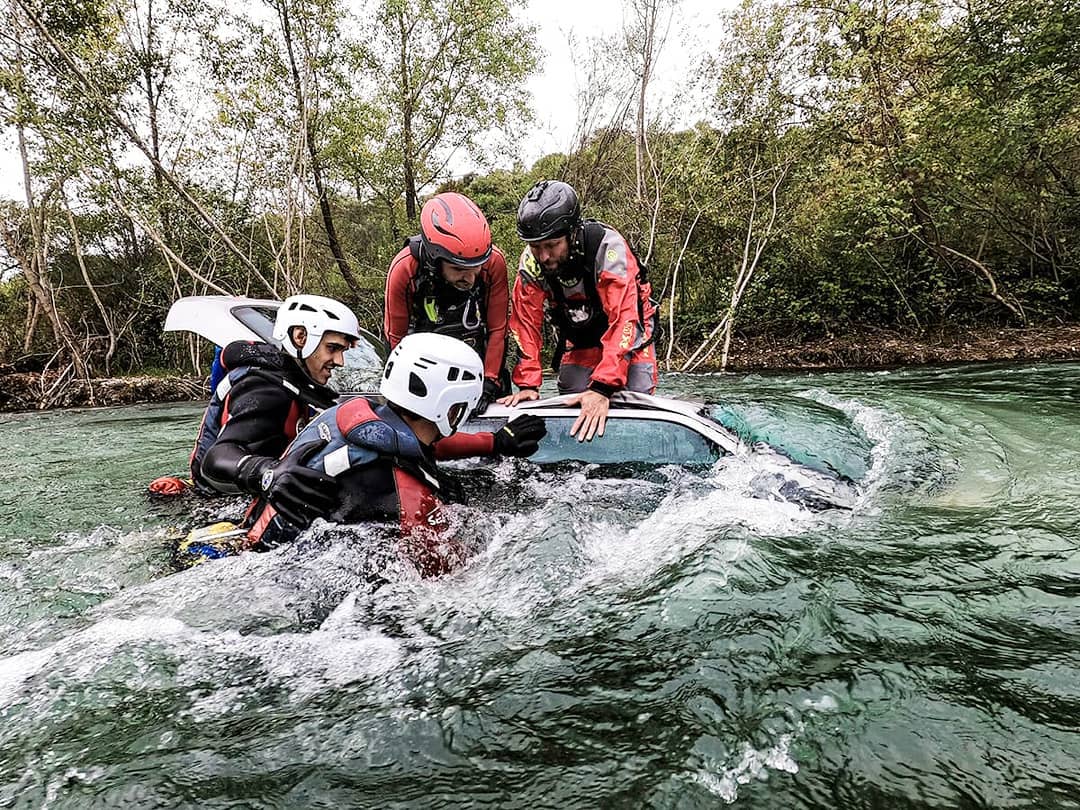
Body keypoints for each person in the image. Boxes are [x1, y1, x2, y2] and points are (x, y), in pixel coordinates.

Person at [242, 333, 546, 576]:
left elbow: (420, 444)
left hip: (253, 548)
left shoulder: (346, 417)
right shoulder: (407, 491)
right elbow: (445, 578)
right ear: (453, 408)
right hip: (287, 579)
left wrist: (495, 442)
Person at [499, 180, 659, 442]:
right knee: (572, 394)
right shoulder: (532, 262)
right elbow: (525, 323)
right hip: (581, 336)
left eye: (551, 245)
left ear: (572, 233)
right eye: (536, 246)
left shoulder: (608, 249)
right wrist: (528, 384)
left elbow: (624, 319)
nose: (543, 256)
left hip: (631, 334)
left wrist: (602, 387)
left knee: (633, 396)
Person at [189, 294, 362, 527]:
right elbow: (215, 459)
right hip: (215, 509)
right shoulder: (266, 389)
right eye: (332, 348)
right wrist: (268, 473)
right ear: (300, 337)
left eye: (343, 351)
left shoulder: (299, 385)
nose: (340, 361)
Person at [383, 191, 510, 414]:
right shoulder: (405, 269)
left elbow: (498, 328)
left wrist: (490, 381)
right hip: (426, 367)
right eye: (459, 269)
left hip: (479, 360)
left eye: (476, 268)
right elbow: (395, 338)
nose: (470, 279)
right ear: (435, 258)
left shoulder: (494, 262)